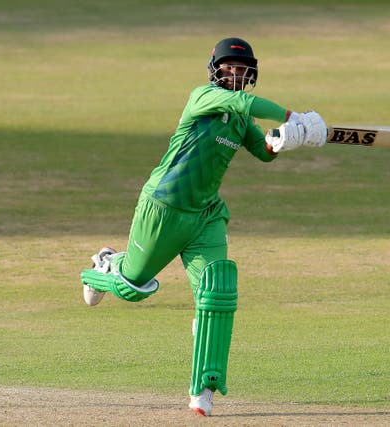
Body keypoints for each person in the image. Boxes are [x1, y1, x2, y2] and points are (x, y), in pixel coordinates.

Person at [80, 37, 327, 416]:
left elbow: (263, 152)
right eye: (228, 66)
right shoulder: (202, 97)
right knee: (133, 287)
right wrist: (293, 117)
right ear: (215, 69)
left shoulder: (242, 120)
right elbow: (244, 102)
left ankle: (203, 389)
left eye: (241, 68)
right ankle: (103, 267)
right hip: (165, 207)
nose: (235, 73)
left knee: (216, 293)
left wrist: (286, 141)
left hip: (206, 216)